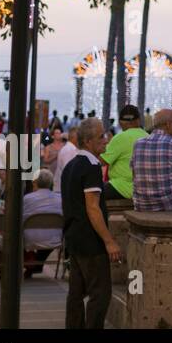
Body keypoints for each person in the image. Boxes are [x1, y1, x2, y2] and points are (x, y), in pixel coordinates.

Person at [61, 118, 121, 329]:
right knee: (100, 294)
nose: (106, 140)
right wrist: (109, 240)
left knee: (75, 293)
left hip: (74, 238)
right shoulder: (91, 166)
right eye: (101, 136)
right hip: (90, 240)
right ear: (88, 141)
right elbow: (92, 207)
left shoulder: (70, 166)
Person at [100, 104, 148, 201]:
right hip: (144, 188)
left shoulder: (120, 137)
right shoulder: (147, 136)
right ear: (138, 120)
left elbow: (101, 161)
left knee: (88, 191)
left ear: (121, 122)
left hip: (122, 187)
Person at [22, 169, 64, 277]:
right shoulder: (60, 198)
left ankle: (33, 263)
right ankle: (36, 264)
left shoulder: (27, 198)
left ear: (35, 182)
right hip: (55, 239)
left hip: (29, 239)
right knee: (48, 235)